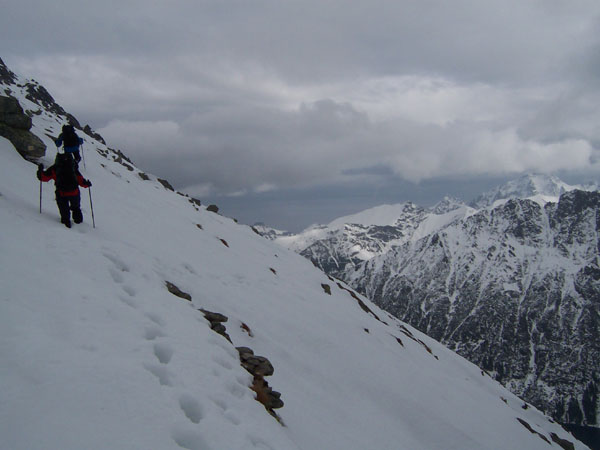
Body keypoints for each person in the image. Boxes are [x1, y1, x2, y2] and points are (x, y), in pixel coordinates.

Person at [37, 153, 92, 228]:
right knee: (76, 208)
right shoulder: (73, 167)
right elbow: (81, 181)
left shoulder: (55, 168)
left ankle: (66, 225)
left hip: (61, 193)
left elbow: (43, 178)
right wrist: (87, 184)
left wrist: (40, 171)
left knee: (64, 210)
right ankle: (79, 223)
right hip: (74, 192)